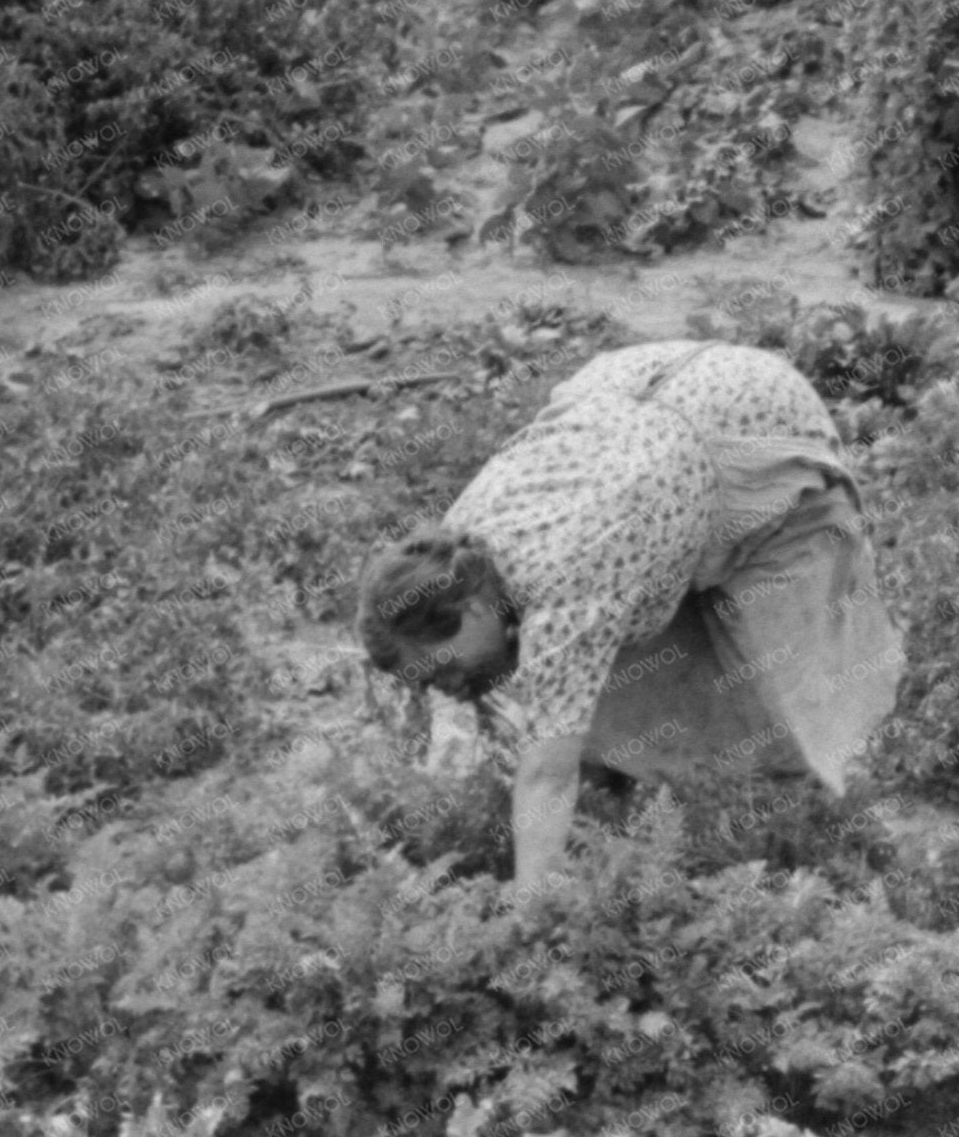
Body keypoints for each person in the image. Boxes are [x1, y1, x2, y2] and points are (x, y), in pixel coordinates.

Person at [352, 340, 905, 897]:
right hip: (634, 406)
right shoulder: (452, 554)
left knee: (798, 687)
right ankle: (606, 822)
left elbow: (545, 773)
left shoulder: (563, 584)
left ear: (469, 609)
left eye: (438, 672)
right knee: (584, 689)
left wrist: (528, 916)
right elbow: (546, 707)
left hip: (749, 420)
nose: (447, 688)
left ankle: (860, 845)